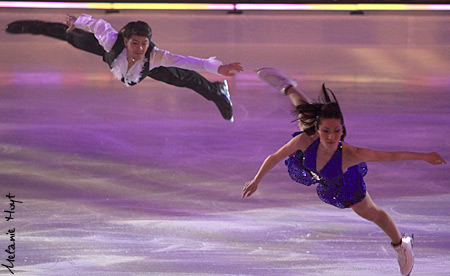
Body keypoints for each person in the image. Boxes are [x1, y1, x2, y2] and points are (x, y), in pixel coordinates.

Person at [242, 68, 446, 276]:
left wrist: (424, 156)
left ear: (343, 129)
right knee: (306, 115)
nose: (331, 137)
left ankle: (401, 245)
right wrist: (256, 180)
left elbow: (390, 156)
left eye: (337, 131)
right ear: (318, 129)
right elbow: (274, 157)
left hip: (345, 184)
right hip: (315, 162)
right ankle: (287, 86)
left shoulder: (350, 154)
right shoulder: (305, 139)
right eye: (326, 131)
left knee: (372, 213)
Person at [5, 14, 243, 121]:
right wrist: (77, 22)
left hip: (143, 72)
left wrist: (218, 68)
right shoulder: (111, 42)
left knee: (185, 78)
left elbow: (189, 61)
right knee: (71, 37)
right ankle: (28, 26)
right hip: (112, 58)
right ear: (126, 41)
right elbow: (98, 24)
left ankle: (218, 91)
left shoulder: (155, 56)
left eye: (144, 44)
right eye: (135, 43)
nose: (140, 48)